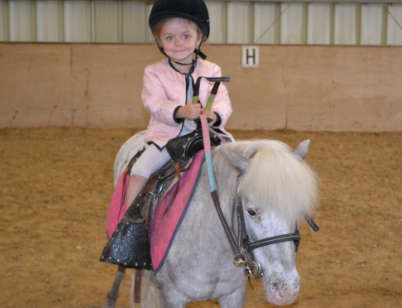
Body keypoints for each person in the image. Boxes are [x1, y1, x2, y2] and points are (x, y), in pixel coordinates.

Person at [124, 0, 233, 211]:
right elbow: (153, 103)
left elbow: (222, 99)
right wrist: (179, 111)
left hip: (207, 135)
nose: (178, 43)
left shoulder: (212, 70)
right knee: (140, 170)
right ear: (159, 41)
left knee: (240, 165)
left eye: (186, 36)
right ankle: (129, 222)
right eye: (169, 37)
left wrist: (216, 115)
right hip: (168, 137)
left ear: (199, 38)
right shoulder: (154, 72)